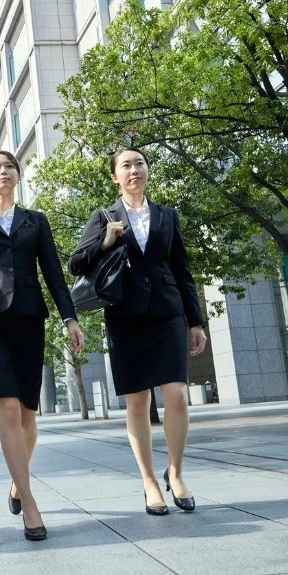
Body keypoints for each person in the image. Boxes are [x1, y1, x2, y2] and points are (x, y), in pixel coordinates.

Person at [0, 150, 84, 541]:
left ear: (17, 177)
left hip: (28, 320)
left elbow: (54, 274)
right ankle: (30, 503)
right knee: (7, 408)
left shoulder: (35, 222)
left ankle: (15, 482)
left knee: (27, 418)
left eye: (10, 167)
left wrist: (69, 318)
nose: (4, 171)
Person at [68, 147, 207, 516]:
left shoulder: (167, 216)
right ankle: (148, 481)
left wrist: (196, 321)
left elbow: (183, 271)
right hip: (126, 316)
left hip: (167, 312)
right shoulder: (103, 217)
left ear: (147, 171)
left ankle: (175, 473)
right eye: (126, 165)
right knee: (138, 402)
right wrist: (106, 241)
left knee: (176, 394)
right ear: (115, 176)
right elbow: (75, 263)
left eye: (140, 163)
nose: (134, 170)